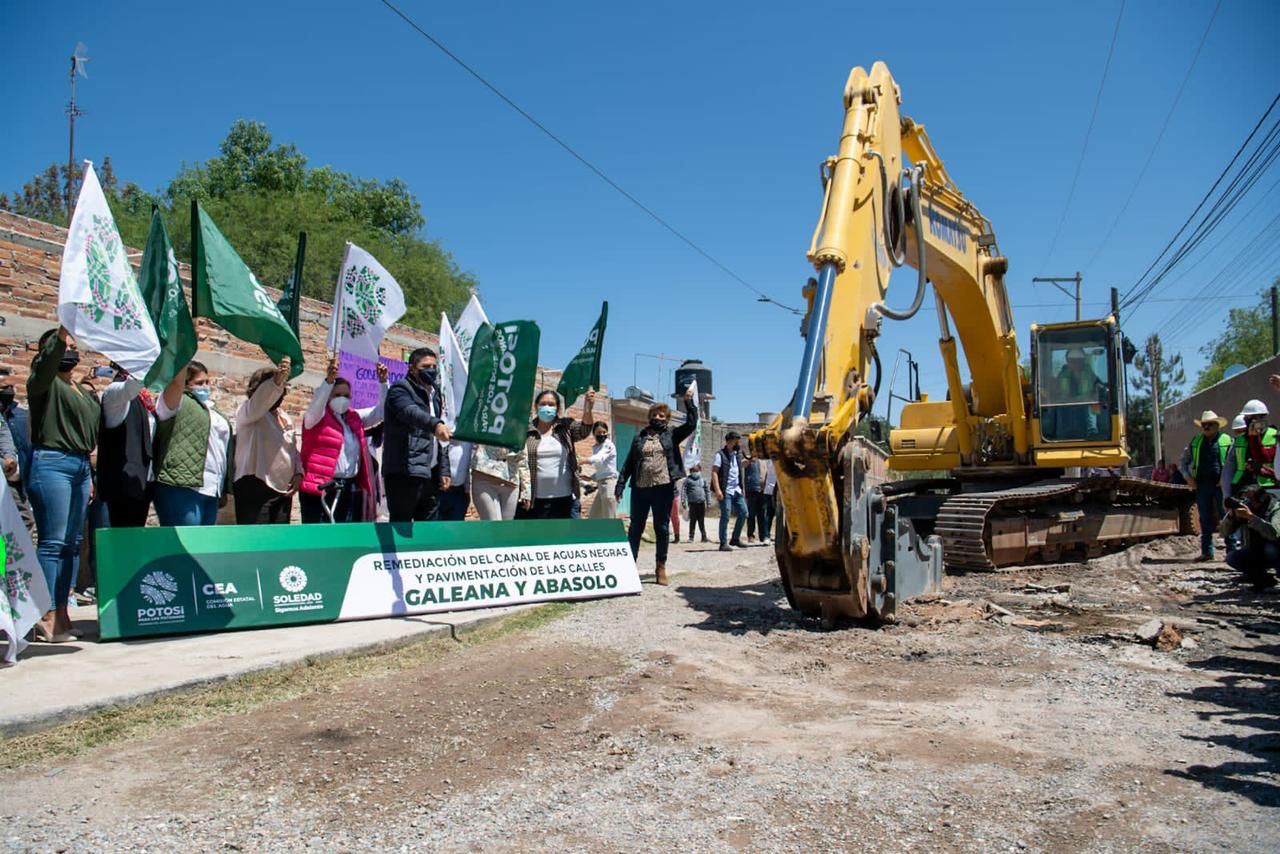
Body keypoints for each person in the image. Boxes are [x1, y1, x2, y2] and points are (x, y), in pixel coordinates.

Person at [26, 327, 99, 642]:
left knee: (71, 544)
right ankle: (43, 613)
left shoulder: (80, 389)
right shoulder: (43, 383)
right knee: (53, 542)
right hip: (53, 462)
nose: (70, 351)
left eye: (73, 346)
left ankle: (62, 611)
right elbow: (47, 362)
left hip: (80, 465)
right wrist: (62, 331)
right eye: (63, 346)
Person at [615, 390, 698, 584]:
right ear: (649, 417)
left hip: (663, 489)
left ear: (667, 419)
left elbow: (692, 424)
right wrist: (620, 485)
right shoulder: (639, 437)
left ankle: (661, 567)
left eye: (661, 415)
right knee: (635, 528)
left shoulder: (672, 434)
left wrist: (689, 403)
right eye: (654, 415)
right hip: (640, 489)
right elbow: (629, 462)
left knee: (661, 528)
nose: (657, 418)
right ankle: (629, 567)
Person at [300, 358, 388, 523]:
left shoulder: (353, 417)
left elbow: (381, 411)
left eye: (347, 395)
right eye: (337, 395)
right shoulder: (316, 417)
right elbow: (316, 405)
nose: (343, 399)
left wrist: (383, 383)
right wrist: (328, 382)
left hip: (348, 486)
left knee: (343, 535)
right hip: (321, 487)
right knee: (320, 536)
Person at [153, 360, 234, 526]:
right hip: (182, 487)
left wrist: (223, 488)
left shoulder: (214, 411)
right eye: (199, 383)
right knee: (183, 545)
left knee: (201, 548)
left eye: (207, 382)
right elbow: (174, 383)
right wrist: (184, 350)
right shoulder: (177, 403)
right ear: (186, 384)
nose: (205, 386)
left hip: (212, 488)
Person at [383, 347, 451, 522]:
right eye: (426, 366)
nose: (431, 370)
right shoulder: (399, 390)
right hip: (405, 473)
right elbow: (411, 413)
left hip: (431, 474)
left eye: (434, 366)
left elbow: (439, 437)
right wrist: (435, 425)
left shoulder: (436, 394)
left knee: (427, 535)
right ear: (412, 368)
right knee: (402, 529)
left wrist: (443, 469)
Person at [234, 357, 302, 524]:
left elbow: (291, 448)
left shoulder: (284, 417)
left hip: (282, 488)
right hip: (255, 485)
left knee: (278, 543)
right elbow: (261, 401)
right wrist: (276, 381)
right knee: (256, 541)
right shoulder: (249, 411)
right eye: (275, 387)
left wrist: (299, 472)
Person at [96, 364, 155, 528]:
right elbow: (130, 388)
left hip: (143, 480)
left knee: (134, 537)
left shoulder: (144, 398)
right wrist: (143, 362)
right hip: (122, 481)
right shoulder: (115, 391)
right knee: (121, 537)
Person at [524, 389, 595, 520]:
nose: (547, 407)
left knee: (561, 538)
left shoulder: (565, 426)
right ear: (536, 406)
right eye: (543, 403)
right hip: (535, 499)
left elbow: (584, 430)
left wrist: (588, 409)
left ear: (557, 408)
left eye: (551, 404)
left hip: (564, 498)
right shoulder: (527, 430)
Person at [1179, 410, 1232, 561]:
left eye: (1209, 424)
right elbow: (1184, 462)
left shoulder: (1227, 441)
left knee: (1227, 517)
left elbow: (1233, 463)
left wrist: (1225, 478)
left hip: (1222, 486)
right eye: (1204, 425)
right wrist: (1188, 477)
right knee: (1204, 519)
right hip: (1202, 485)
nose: (1206, 427)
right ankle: (1207, 552)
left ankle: (1232, 551)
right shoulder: (1195, 442)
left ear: (1217, 425)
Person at [1220, 485, 1280, 591]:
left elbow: (1274, 534)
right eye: (1244, 499)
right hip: (1256, 549)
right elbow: (1224, 532)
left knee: (1269, 549)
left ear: (1261, 499)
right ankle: (1262, 577)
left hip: (1275, 549)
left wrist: (1251, 517)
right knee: (1233, 557)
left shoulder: (1276, 509)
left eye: (1250, 499)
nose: (1246, 503)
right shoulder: (1246, 509)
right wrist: (1231, 516)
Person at [471, 443, 531, 520]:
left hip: (511, 482)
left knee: (507, 528)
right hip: (485, 479)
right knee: (494, 525)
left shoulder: (519, 431)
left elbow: (523, 459)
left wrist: (526, 490)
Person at [712, 431, 750, 551]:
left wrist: (750, 460)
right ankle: (723, 543)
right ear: (729, 441)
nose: (737, 443)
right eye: (735, 440)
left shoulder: (737, 454)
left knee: (744, 513)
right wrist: (718, 490)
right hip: (725, 490)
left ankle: (735, 538)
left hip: (737, 490)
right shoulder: (720, 455)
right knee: (726, 516)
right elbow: (714, 472)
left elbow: (739, 467)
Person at [1229, 399, 1276, 495]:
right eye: (1250, 418)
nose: (1254, 421)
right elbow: (1229, 467)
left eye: (1259, 417)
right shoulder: (1239, 439)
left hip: (1269, 485)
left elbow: (1264, 456)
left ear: (1265, 417)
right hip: (1242, 484)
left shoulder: (1275, 435)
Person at [585, 420, 618, 519]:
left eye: (604, 432)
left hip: (609, 483)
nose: (602, 434)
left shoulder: (609, 445)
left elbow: (599, 458)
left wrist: (582, 461)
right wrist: (591, 477)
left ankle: (612, 534)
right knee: (594, 517)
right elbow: (603, 467)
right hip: (601, 484)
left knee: (609, 517)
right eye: (599, 433)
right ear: (594, 433)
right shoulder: (596, 447)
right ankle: (592, 534)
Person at [438, 441, 474, 521]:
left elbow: (470, 464)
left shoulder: (470, 440)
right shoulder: (443, 432)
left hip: (460, 493)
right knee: (434, 529)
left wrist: (468, 491)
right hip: (438, 490)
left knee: (455, 531)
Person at [681, 463, 710, 543]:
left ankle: (704, 537)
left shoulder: (703, 480)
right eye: (693, 471)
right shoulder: (688, 480)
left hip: (701, 503)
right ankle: (691, 537)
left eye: (697, 471)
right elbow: (683, 491)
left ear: (700, 471)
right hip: (692, 504)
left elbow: (707, 491)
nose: (695, 473)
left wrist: (709, 502)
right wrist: (683, 501)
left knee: (701, 521)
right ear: (691, 472)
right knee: (692, 521)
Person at [743, 449, 767, 543]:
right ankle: (750, 535)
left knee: (762, 515)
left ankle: (763, 536)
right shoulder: (748, 460)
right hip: (751, 490)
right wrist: (749, 459)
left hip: (762, 490)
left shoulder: (763, 460)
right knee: (751, 514)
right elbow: (743, 464)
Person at [761, 456, 777, 545]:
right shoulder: (769, 460)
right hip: (770, 490)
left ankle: (769, 536)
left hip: (780, 490)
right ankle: (766, 536)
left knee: (771, 514)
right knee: (769, 514)